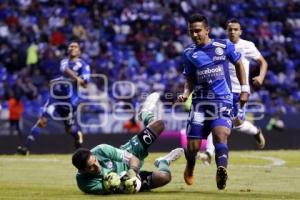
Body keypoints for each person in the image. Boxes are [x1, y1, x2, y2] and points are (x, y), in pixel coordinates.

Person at [177, 14, 249, 190]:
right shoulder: (188, 53)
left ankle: (221, 169)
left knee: (220, 135)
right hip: (200, 103)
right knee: (193, 148)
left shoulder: (223, 46)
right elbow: (189, 79)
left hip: (222, 100)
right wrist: (186, 93)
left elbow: (239, 64)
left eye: (198, 30)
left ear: (207, 30)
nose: (194, 35)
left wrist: (245, 88)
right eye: (191, 31)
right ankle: (191, 165)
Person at [72, 93, 184, 194]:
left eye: (95, 161)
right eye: (91, 167)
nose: (96, 166)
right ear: (82, 170)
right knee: (165, 177)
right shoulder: (84, 183)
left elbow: (133, 159)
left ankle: (145, 113)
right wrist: (128, 182)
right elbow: (110, 190)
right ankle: (163, 162)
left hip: (130, 155)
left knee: (159, 125)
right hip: (126, 184)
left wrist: (132, 171)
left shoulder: (101, 150)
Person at [198, 18, 268, 165]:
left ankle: (256, 132)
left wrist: (260, 77)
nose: (233, 32)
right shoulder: (221, 46)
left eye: (236, 29)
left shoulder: (248, 46)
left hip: (240, 91)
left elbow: (263, 62)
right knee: (217, 120)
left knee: (237, 123)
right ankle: (209, 154)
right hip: (223, 92)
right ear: (226, 31)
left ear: (240, 31)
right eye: (230, 29)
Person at [17, 41, 90, 155]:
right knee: (42, 121)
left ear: (79, 51)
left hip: (70, 101)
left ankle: (77, 136)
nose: (72, 48)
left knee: (69, 129)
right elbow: (65, 71)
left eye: (75, 47)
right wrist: (76, 78)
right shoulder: (64, 61)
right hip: (55, 98)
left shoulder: (84, 65)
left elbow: (85, 83)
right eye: (70, 46)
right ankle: (25, 148)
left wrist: (81, 81)